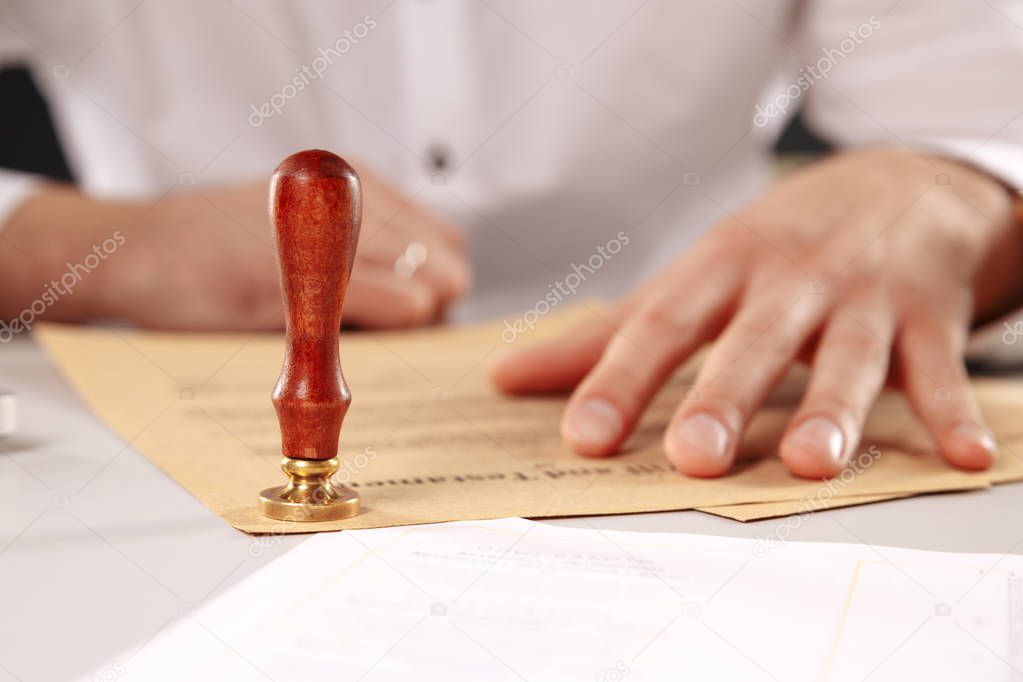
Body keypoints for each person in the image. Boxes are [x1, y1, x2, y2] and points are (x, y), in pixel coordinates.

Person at [0, 1, 1021, 480]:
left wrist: (947, 189)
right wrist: (73, 246)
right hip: (127, 433)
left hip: (728, 403)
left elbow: (983, 119)